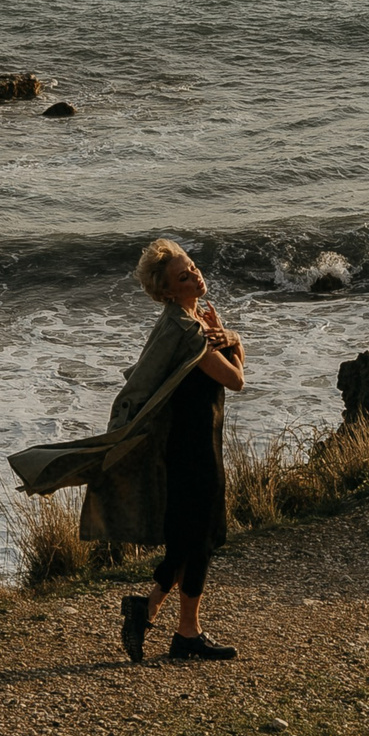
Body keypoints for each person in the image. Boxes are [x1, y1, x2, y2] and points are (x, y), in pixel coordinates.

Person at [108, 238, 245, 663]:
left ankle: (147, 609)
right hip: (192, 447)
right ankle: (187, 633)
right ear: (167, 291)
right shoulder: (188, 331)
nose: (196, 277)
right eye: (184, 277)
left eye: (194, 268)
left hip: (192, 440)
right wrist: (233, 339)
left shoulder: (190, 320)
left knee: (189, 540)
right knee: (199, 539)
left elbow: (230, 372)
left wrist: (227, 336)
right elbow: (236, 380)